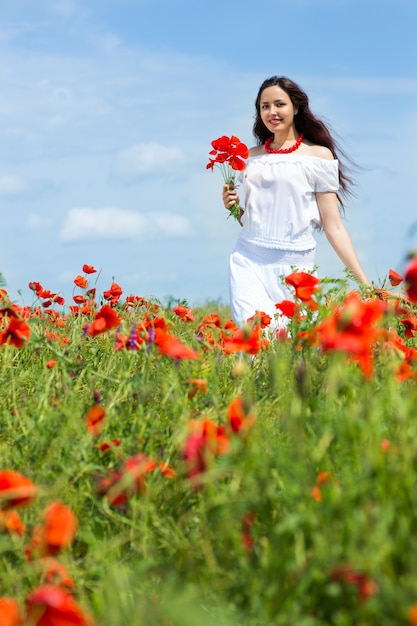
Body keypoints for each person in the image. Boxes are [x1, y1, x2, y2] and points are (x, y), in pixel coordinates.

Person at [222, 75, 371, 328]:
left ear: (296, 107)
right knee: (255, 335)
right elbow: (255, 219)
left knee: (288, 347)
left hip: (294, 267)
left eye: (279, 104)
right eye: (264, 106)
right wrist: (234, 208)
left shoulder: (318, 156)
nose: (272, 112)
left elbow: (333, 226)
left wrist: (365, 285)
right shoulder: (249, 157)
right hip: (248, 258)